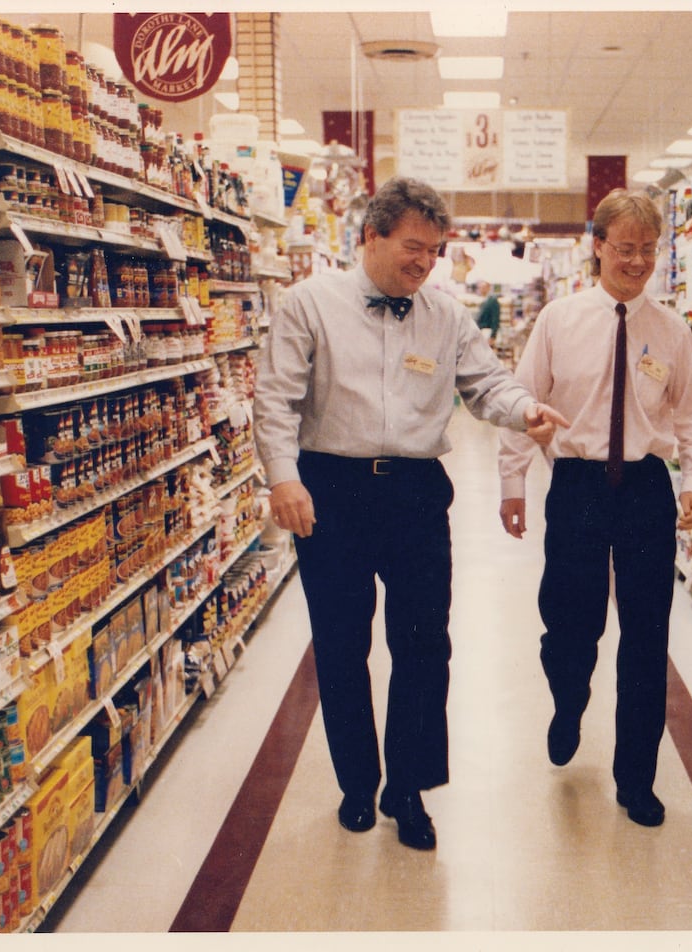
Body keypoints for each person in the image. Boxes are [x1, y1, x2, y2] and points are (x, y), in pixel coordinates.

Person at [254, 176, 570, 851]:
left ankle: (409, 788)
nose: (425, 263)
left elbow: (487, 383)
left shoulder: (447, 315)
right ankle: (356, 786)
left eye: (434, 251)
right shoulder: (308, 304)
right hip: (330, 491)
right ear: (371, 236)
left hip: (417, 495)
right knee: (343, 645)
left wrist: (525, 410)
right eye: (412, 248)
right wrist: (283, 478)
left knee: (425, 645)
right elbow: (275, 399)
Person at [497, 189, 692, 827]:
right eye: (625, 249)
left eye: (648, 250)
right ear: (598, 247)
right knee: (570, 627)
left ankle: (636, 780)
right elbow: (522, 400)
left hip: (646, 488)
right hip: (578, 487)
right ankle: (568, 701)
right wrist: (512, 484)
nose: (638, 262)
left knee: (647, 640)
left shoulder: (672, 331)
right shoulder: (560, 321)